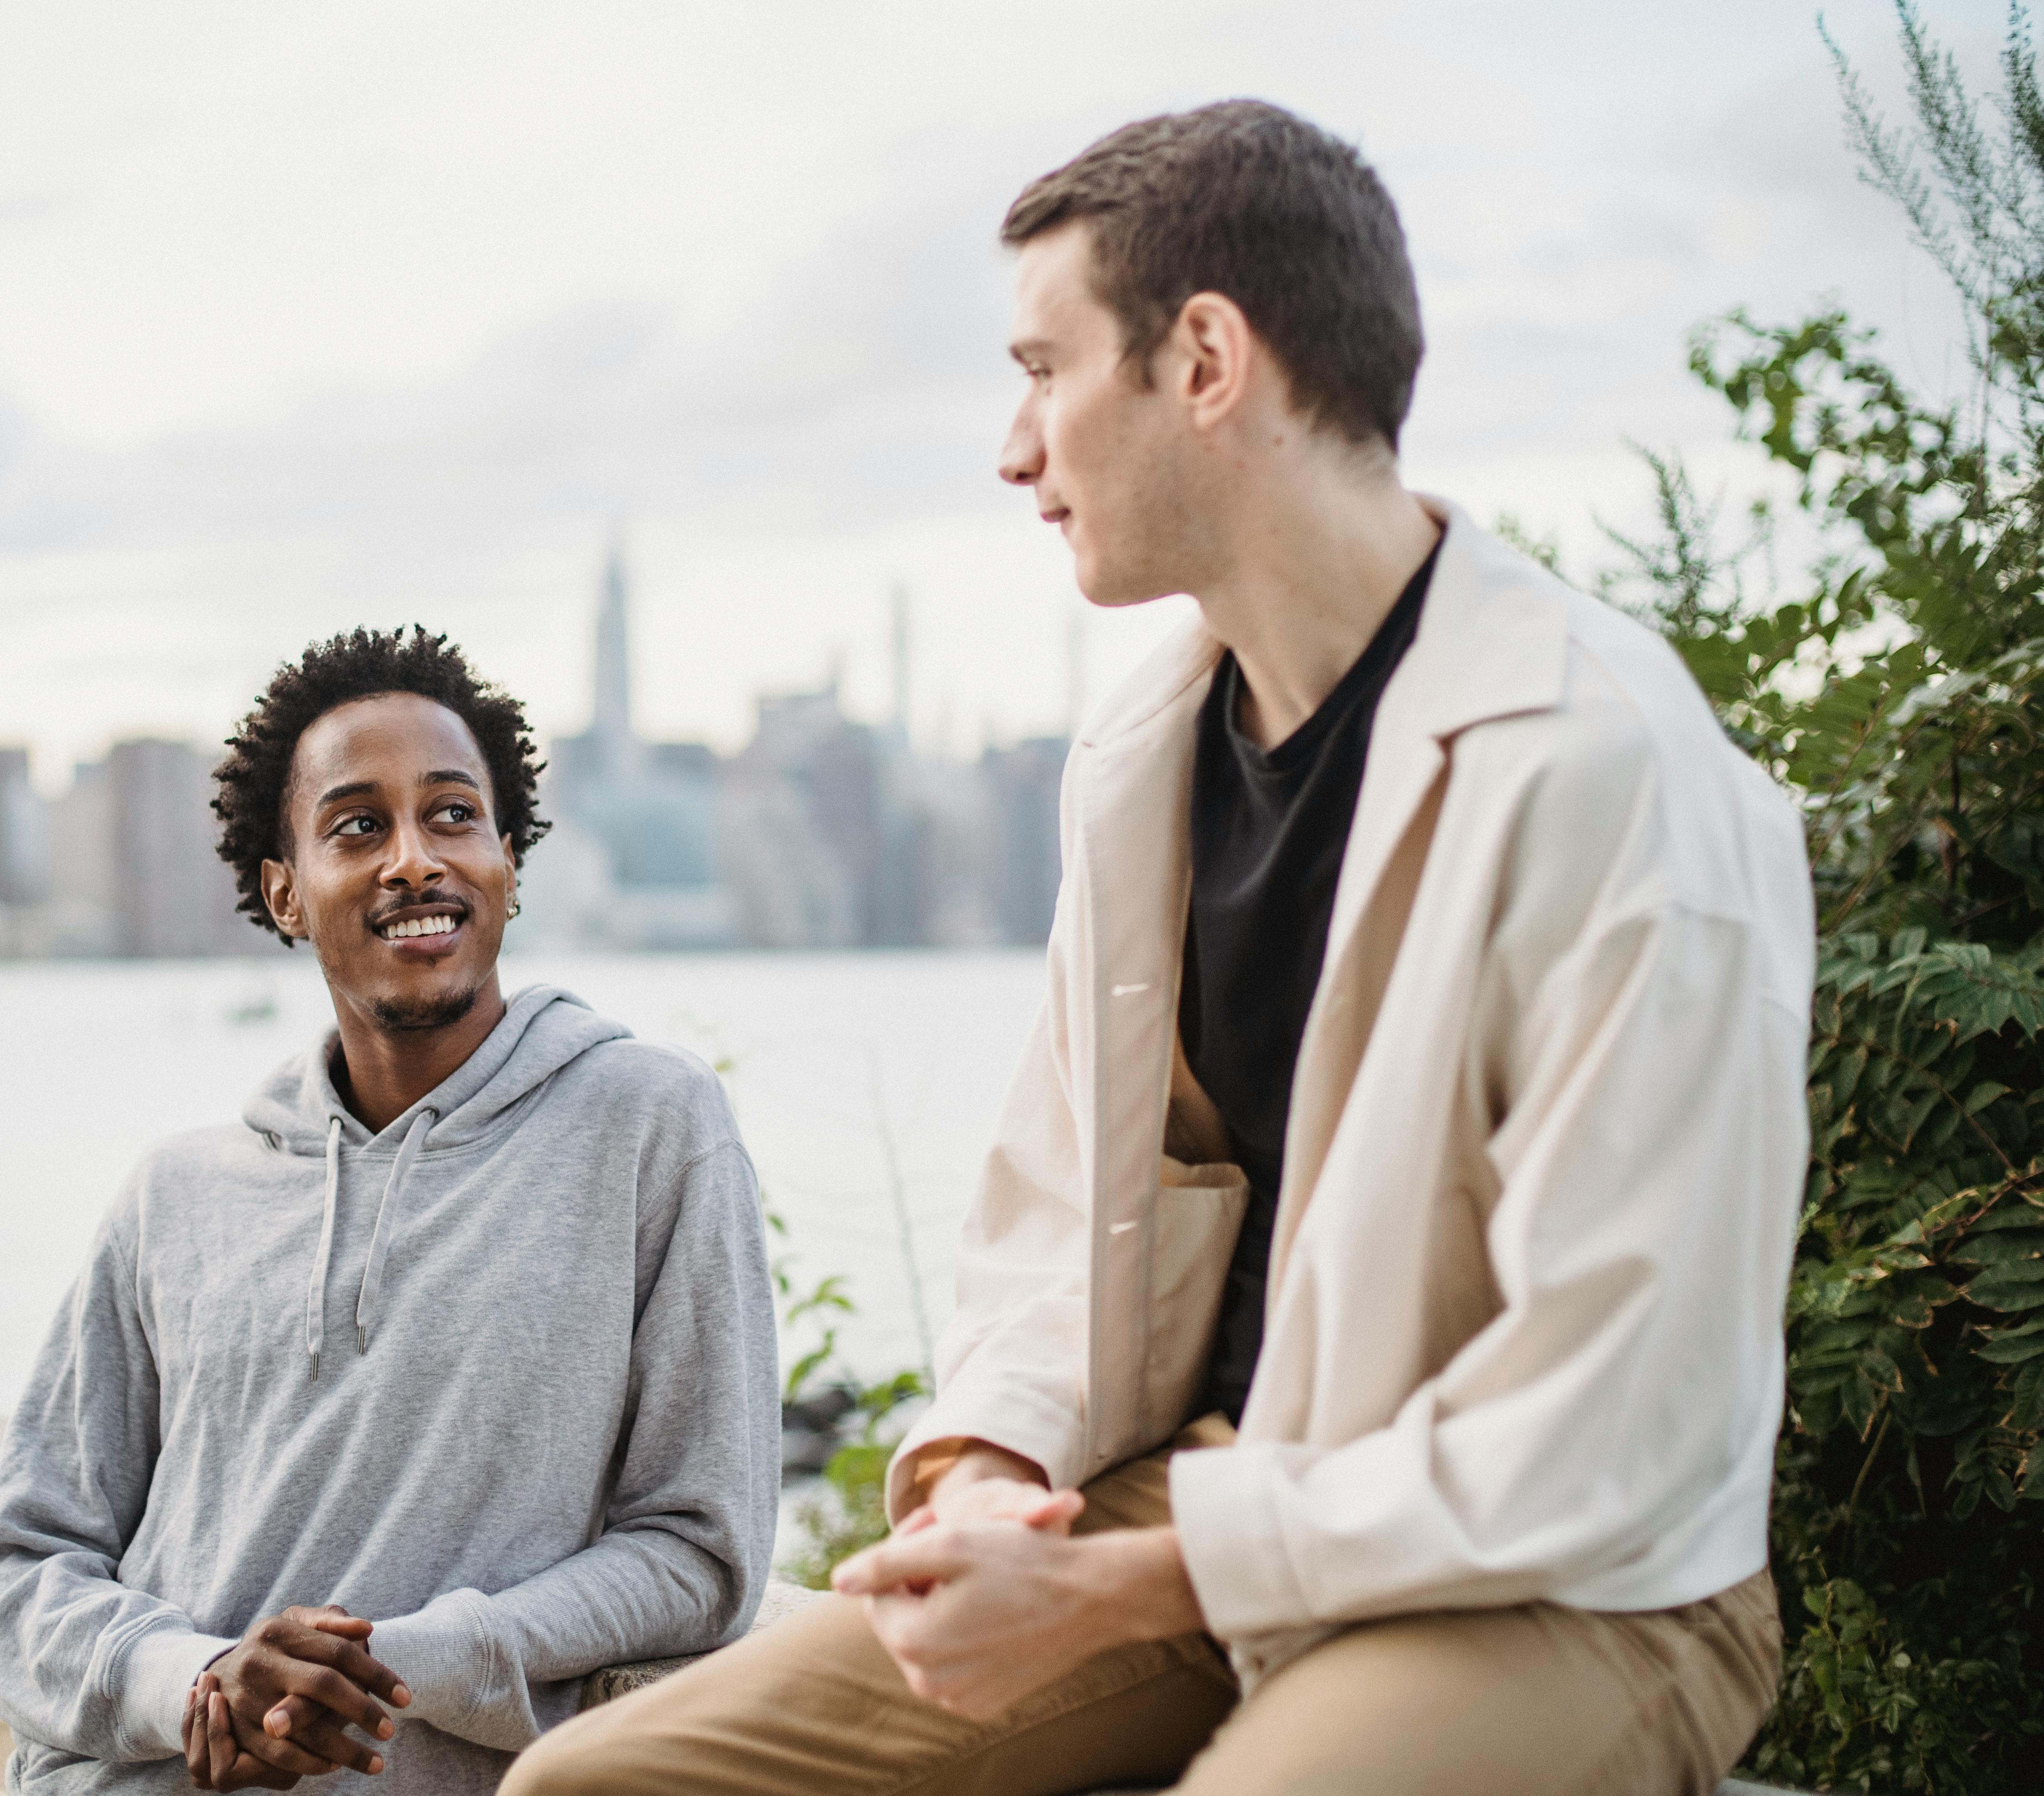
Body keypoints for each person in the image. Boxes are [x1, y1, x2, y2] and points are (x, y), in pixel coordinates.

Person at [505, 99, 1812, 1796]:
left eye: (1044, 370)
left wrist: (1109, 1584)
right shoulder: (1142, 755)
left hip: (1572, 1586)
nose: (1013, 446)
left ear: (1205, 359)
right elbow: (1057, 1219)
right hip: (1206, 1509)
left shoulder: (1603, 767)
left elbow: (1621, 1429)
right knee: (587, 1788)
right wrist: (987, 1487)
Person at [0, 626, 780, 1795]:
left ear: (507, 861)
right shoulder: (175, 1196)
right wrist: (194, 1680)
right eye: (358, 826)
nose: (414, 861)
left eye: (451, 816)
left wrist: (403, 1663)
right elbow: (17, 1566)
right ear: (282, 891)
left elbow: (702, 1552)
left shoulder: (650, 1125)